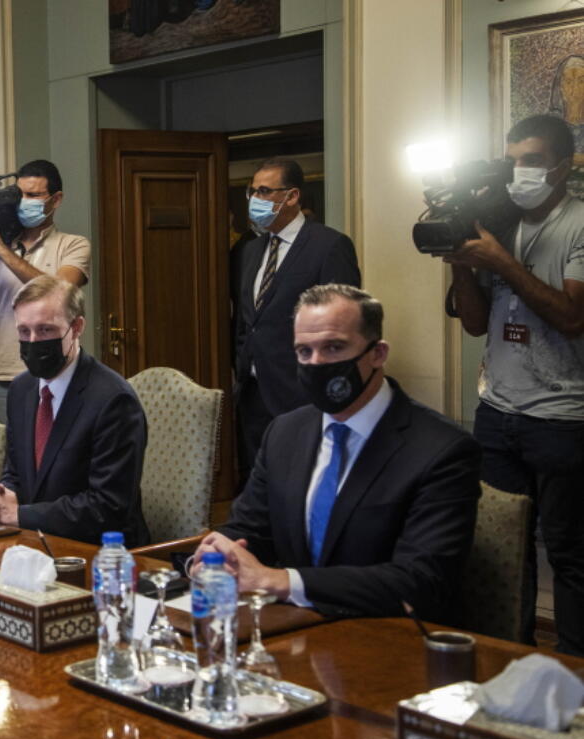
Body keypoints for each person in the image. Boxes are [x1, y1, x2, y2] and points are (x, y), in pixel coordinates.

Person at [196, 285, 480, 624]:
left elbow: (419, 582)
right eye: (304, 351)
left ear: (378, 353)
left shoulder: (442, 450)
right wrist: (217, 554)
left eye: (333, 347)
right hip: (294, 631)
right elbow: (249, 529)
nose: (317, 363)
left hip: (392, 637)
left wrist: (283, 581)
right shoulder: (285, 433)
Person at [445, 113, 584, 655]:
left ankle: (573, 673)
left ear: (563, 165)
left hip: (564, 417)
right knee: (504, 547)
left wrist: (501, 261)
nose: (519, 172)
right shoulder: (498, 222)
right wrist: (461, 262)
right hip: (498, 413)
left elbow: (572, 315)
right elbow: (476, 323)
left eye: (531, 160)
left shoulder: (577, 223)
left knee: (570, 554)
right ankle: (510, 655)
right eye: (512, 161)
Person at [0, 276, 149, 546]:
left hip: (101, 554)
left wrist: (18, 514)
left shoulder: (113, 400)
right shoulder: (21, 390)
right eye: (24, 332)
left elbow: (107, 507)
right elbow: (17, 472)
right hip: (33, 544)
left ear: (76, 328)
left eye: (45, 330)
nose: (32, 342)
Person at [234, 157, 360, 481]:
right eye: (252, 191)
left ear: (291, 196)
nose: (254, 200)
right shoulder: (251, 250)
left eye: (264, 191)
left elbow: (343, 325)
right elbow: (249, 317)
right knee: (259, 483)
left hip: (302, 392)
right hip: (253, 391)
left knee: (301, 481)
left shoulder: (329, 246)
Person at [0, 159, 91, 425]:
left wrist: (0, 249)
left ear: (56, 199)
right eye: (21, 195)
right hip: (3, 375)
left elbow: (58, 295)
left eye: (34, 195)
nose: (25, 201)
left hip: (57, 371)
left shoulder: (73, 245)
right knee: (6, 461)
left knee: (55, 458)